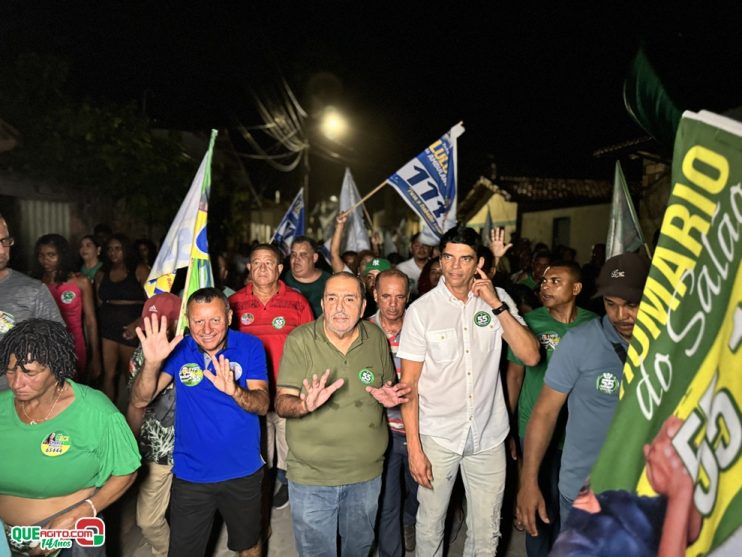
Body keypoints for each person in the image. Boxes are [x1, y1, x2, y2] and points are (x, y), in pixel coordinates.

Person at [399, 225, 540, 556]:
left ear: (479, 262)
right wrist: (415, 449)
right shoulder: (422, 311)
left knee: (487, 529)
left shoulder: (499, 299)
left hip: (488, 435)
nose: (455, 267)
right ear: (441, 258)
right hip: (438, 435)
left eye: (465, 259)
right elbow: (409, 387)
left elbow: (531, 355)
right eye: (448, 257)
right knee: (430, 524)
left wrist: (494, 303)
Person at [275, 272, 410, 557]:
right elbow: (281, 403)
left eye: (349, 299)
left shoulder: (375, 337)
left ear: (363, 307)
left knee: (358, 549)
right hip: (311, 476)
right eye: (332, 298)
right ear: (322, 304)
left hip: (367, 474)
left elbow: (386, 387)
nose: (339, 307)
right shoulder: (300, 339)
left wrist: (389, 397)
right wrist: (304, 405)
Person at [516, 252, 650, 538]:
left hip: (645, 491)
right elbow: (544, 413)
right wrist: (528, 482)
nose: (620, 315)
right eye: (610, 304)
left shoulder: (669, 345)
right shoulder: (580, 342)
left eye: (632, 305)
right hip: (583, 490)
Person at [131, 287, 270, 557]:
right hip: (191, 474)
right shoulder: (180, 348)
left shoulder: (250, 346)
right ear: (187, 319)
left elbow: (263, 404)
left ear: (229, 317)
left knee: (248, 545)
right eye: (198, 321)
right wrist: (151, 364)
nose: (206, 329)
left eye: (215, 320)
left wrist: (235, 391)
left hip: (242, 471)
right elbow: (140, 398)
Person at [0, 319, 140, 555]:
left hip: (70, 533)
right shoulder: (2, 406)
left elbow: (126, 471)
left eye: (29, 373)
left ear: (57, 369)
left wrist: (82, 513)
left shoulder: (96, 411)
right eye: (11, 370)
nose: (16, 382)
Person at [505, 261, 598, 556]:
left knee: (571, 506)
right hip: (533, 429)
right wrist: (508, 425)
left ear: (576, 289)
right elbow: (514, 375)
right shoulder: (530, 323)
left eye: (555, 281)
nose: (545, 286)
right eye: (543, 281)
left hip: (577, 433)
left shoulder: (594, 325)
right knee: (537, 504)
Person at [228, 243, 313, 510]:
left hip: (288, 391)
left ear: (279, 269)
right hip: (251, 393)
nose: (262, 268)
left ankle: (289, 488)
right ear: (249, 267)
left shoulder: (297, 301)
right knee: (258, 451)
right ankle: (259, 499)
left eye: (269, 263)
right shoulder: (233, 304)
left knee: (291, 450)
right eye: (257, 263)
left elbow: (310, 344)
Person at [551, 416, 701, 557]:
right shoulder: (572, 545)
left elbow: (689, 530)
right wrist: (680, 491)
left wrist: (680, 466)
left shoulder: (614, 500)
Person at [126, 293, 181, 557]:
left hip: (194, 449)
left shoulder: (198, 347)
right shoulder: (140, 355)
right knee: (148, 521)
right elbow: (137, 402)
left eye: (163, 323)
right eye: (151, 323)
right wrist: (130, 442)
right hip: (157, 452)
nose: (156, 330)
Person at [369, 269, 419, 556]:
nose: (392, 304)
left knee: (420, 494)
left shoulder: (420, 327)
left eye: (399, 297)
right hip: (381, 434)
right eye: (385, 296)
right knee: (387, 501)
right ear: (375, 295)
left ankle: (409, 521)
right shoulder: (362, 331)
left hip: (416, 430)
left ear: (407, 297)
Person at [0, 213, 64, 390]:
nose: (2, 251)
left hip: (16, 402)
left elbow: (59, 350)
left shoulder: (33, 291)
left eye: (5, 241)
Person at [33, 234, 102, 382]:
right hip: (44, 346)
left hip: (74, 345)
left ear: (62, 255)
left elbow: (90, 321)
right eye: (41, 255)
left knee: (72, 391)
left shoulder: (80, 281)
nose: (45, 260)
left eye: (51, 255)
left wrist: (95, 356)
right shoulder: (35, 283)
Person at [95, 234, 148, 402]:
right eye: (110, 249)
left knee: (130, 375)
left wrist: (138, 323)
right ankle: (107, 417)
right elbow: (99, 302)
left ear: (126, 249)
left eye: (118, 248)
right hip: (108, 330)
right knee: (108, 374)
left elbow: (153, 302)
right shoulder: (102, 273)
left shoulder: (139, 270)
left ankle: (133, 419)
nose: (113, 253)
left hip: (131, 329)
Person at [283, 236, 331, 318]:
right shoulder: (281, 279)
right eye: (293, 254)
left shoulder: (329, 282)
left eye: (303, 255)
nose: (296, 259)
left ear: (314, 258)